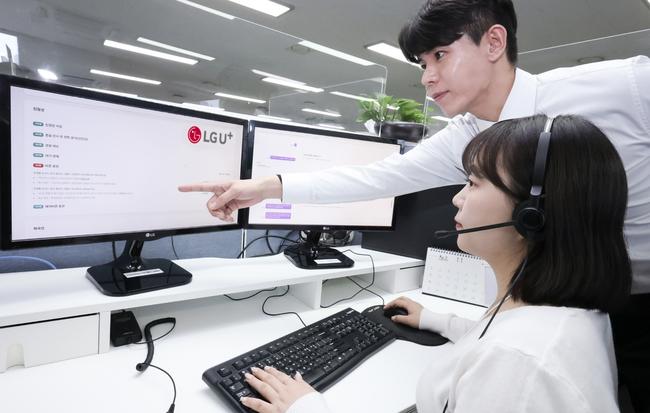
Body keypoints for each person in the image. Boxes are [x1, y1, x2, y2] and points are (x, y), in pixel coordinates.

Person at [179, 0, 650, 409]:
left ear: (493, 42)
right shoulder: (468, 134)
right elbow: (377, 177)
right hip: (570, 299)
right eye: (422, 63)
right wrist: (268, 187)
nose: (427, 78)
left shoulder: (621, 85)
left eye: (440, 55)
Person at [236, 114, 632, 413]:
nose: (457, 198)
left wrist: (306, 408)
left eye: (473, 183)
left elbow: (510, 359)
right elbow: (494, 340)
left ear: (532, 215)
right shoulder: (562, 313)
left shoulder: (520, 366)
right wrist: (437, 320)